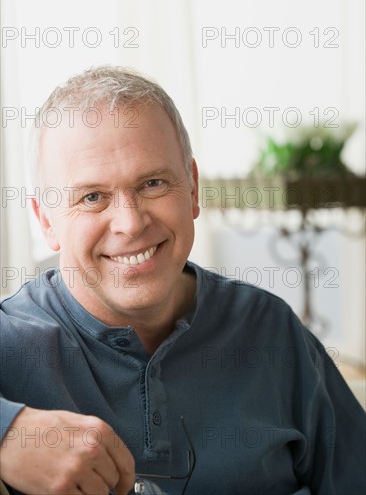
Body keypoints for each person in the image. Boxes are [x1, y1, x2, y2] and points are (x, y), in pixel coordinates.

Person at [0, 66, 365, 495]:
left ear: (192, 188)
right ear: (46, 221)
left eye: (153, 183)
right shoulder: (11, 345)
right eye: (92, 197)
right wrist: (8, 432)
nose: (130, 223)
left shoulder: (271, 328)